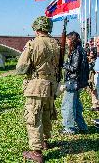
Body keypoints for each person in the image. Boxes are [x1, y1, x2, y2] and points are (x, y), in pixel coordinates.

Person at [16, 16, 60, 163]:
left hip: (36, 86)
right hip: (51, 85)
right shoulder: (56, 44)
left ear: (36, 28)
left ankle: (36, 152)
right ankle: (45, 141)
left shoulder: (32, 44)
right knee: (47, 114)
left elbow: (21, 68)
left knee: (34, 117)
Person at [61, 31, 88, 134]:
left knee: (68, 106)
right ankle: (82, 126)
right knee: (76, 106)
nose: (67, 42)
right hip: (77, 82)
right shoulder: (80, 50)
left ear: (72, 40)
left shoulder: (76, 51)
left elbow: (74, 68)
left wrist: (63, 64)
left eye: (68, 39)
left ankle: (69, 128)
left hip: (73, 82)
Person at [90, 38, 99, 111]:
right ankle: (95, 105)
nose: (97, 43)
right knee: (94, 89)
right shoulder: (95, 50)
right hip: (95, 73)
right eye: (97, 42)